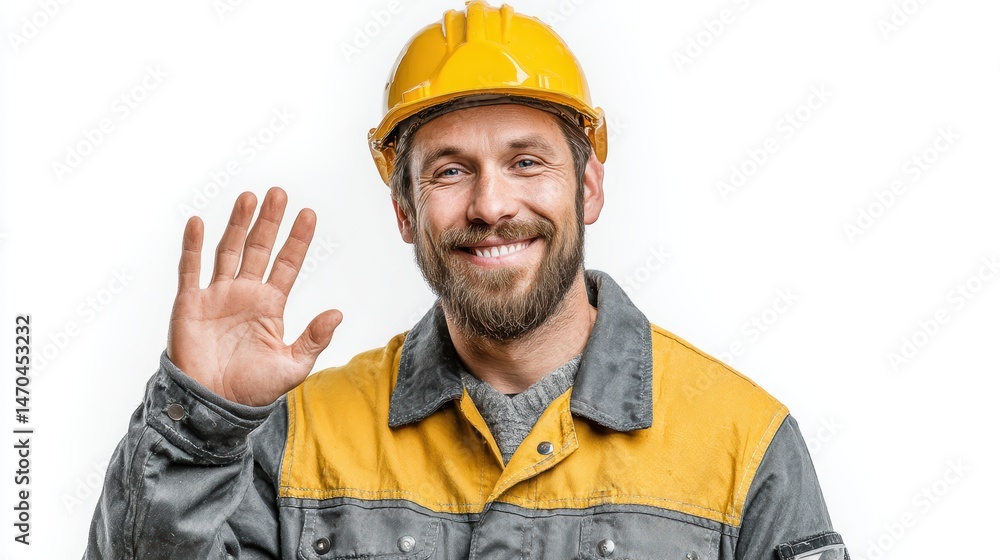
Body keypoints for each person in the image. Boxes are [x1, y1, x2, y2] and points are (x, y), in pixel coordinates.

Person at [84, 2, 849, 558]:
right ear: (406, 212)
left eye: (526, 161)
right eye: (450, 172)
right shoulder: (297, 438)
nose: (491, 205)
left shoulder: (745, 445)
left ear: (588, 189)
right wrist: (201, 426)